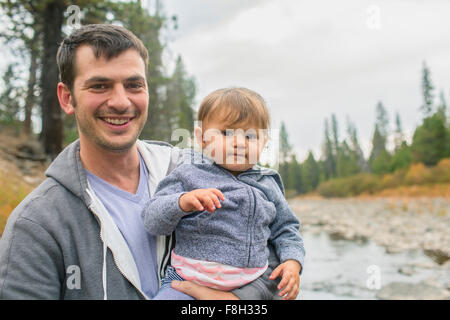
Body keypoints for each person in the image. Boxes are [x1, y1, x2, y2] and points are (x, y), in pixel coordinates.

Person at [0, 24, 280, 300]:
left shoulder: (196, 169)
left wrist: (238, 302)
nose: (121, 102)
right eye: (100, 85)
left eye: (134, 85)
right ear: (67, 97)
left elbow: (272, 257)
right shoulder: (36, 224)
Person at [143, 88, 305, 300]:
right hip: (185, 281)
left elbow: (286, 229)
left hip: (250, 282)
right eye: (226, 133)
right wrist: (181, 203)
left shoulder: (267, 182)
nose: (239, 142)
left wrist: (292, 262)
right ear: (202, 138)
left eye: (250, 136)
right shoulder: (188, 172)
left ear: (264, 142)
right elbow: (152, 220)